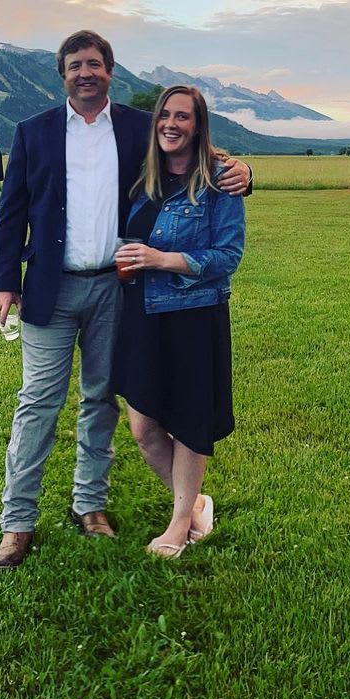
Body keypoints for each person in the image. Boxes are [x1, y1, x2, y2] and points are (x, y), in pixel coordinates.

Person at [0, 30, 252, 570]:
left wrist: (247, 173)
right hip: (48, 288)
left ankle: (90, 505)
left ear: (110, 71)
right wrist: (2, 280)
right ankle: (17, 523)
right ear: (62, 74)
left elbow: (196, 154)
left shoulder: (138, 127)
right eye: (75, 65)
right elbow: (11, 211)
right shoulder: (33, 132)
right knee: (38, 402)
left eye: (96, 64)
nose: (86, 72)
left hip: (117, 287)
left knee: (101, 399)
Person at [113, 86, 244, 558]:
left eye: (183, 117)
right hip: (142, 314)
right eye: (164, 115)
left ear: (198, 125)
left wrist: (162, 259)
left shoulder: (219, 181)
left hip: (193, 315)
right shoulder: (141, 176)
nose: (171, 123)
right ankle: (195, 504)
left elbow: (228, 255)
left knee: (189, 422)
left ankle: (176, 525)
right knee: (144, 428)